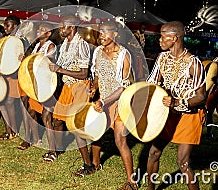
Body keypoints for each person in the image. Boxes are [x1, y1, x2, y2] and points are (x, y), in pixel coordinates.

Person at [75, 21, 138, 190]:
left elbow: (124, 86)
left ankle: (131, 181)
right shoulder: (98, 52)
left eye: (105, 32)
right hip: (101, 100)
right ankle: (95, 165)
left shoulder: (124, 55)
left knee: (120, 140)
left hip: (119, 102)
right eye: (100, 32)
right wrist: (94, 87)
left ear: (115, 34)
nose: (101, 35)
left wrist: (104, 101)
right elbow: (96, 74)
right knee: (96, 134)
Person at [146, 21, 206, 190]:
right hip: (168, 114)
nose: (159, 40)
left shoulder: (194, 63)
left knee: (183, 162)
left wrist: (178, 101)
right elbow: (153, 83)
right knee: (153, 153)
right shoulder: (162, 58)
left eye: (163, 36)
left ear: (174, 38)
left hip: (189, 115)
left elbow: (201, 96)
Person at [45, 15, 91, 162]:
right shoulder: (65, 44)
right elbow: (59, 65)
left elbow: (84, 73)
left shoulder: (82, 45)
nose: (60, 29)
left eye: (62, 26)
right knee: (57, 120)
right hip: (67, 85)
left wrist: (60, 70)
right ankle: (56, 151)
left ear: (71, 27)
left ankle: (87, 163)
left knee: (74, 126)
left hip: (80, 87)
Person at [18, 22, 56, 150]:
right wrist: (24, 59)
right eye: (38, 29)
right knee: (31, 111)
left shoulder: (51, 46)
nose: (39, 32)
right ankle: (34, 138)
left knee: (47, 116)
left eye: (42, 30)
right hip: (35, 83)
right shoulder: (36, 46)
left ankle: (52, 150)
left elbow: (47, 64)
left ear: (49, 33)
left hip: (45, 84)